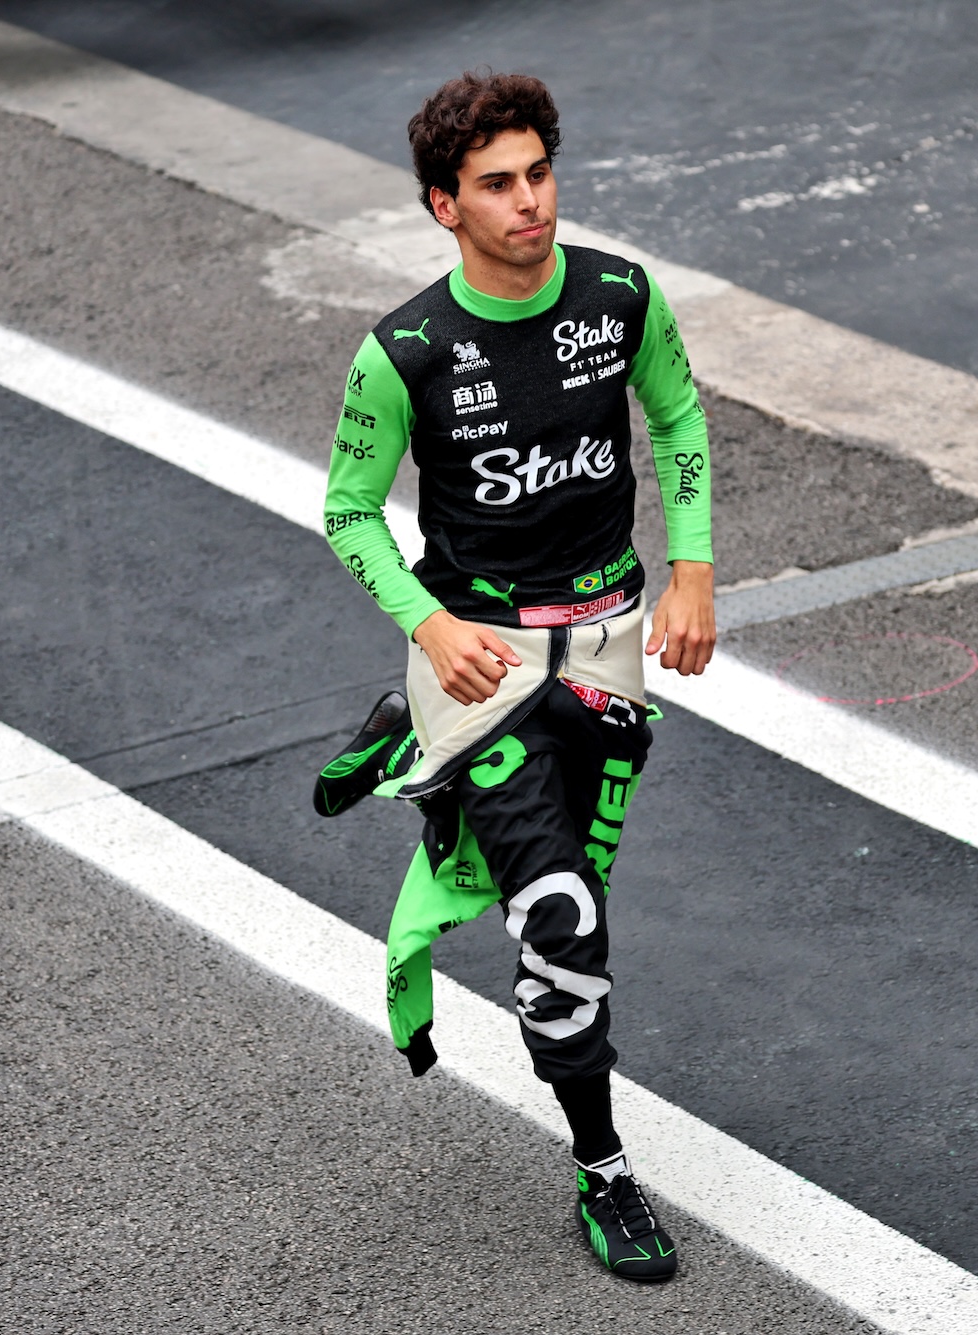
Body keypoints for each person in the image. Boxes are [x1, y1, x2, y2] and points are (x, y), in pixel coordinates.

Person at [313, 69, 714, 1283]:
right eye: (497, 184)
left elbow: (679, 420)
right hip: (478, 658)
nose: (529, 202)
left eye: (539, 173)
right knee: (559, 920)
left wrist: (688, 571)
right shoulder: (402, 355)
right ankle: (603, 1173)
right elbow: (348, 515)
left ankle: (408, 748)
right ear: (444, 205)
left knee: (577, 889)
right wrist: (429, 628)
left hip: (604, 643)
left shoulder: (620, 295)